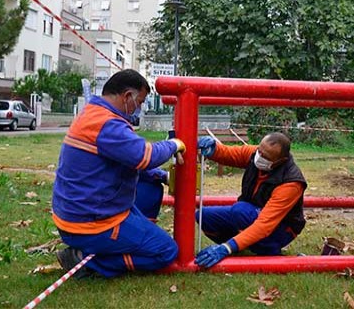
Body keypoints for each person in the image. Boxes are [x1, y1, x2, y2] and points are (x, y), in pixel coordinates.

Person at [52, 69, 186, 278]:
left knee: (150, 187)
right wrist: (173, 145)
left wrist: (161, 176)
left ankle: (131, 239)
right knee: (166, 251)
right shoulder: (107, 124)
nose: (139, 109)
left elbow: (126, 159)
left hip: (79, 211)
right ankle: (85, 261)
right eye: (139, 102)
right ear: (127, 97)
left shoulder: (93, 113)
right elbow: (144, 156)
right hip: (89, 223)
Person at [194, 132, 307, 269]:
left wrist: (226, 248)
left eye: (265, 156)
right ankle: (240, 244)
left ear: (280, 161)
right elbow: (231, 154)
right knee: (203, 215)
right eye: (260, 150)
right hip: (249, 213)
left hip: (281, 228)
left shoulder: (291, 183)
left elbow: (264, 224)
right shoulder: (256, 153)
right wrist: (213, 149)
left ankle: (269, 251)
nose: (259, 156)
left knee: (240, 211)